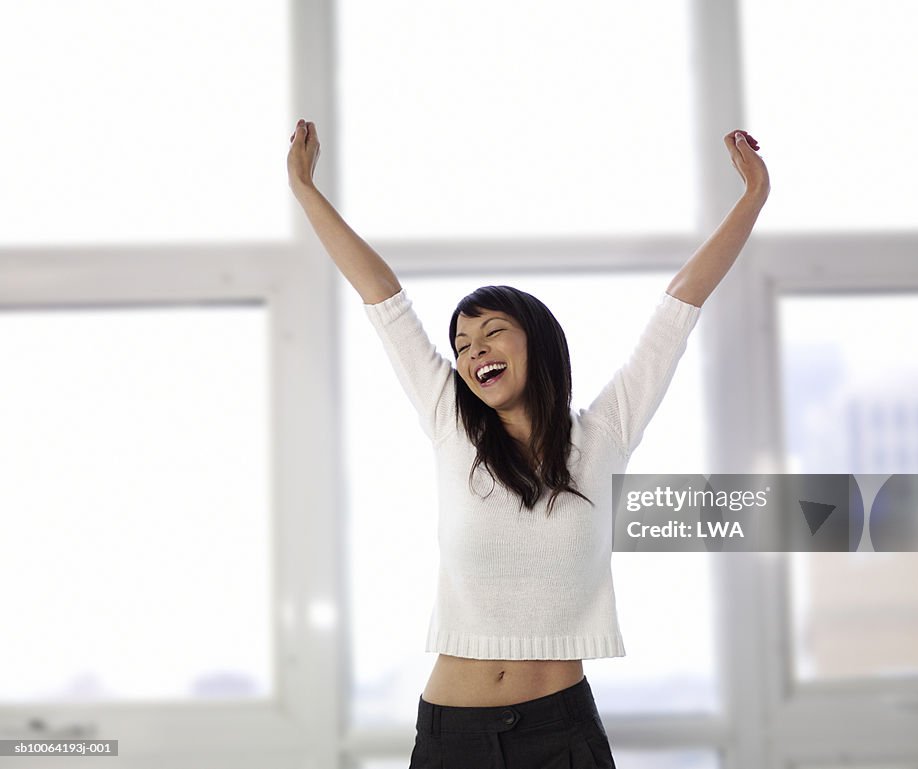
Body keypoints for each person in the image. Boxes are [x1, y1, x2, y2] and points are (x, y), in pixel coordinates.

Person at [288, 118, 769, 768]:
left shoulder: (605, 432)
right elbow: (382, 297)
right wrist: (304, 187)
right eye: (461, 345)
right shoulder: (448, 422)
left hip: (559, 734)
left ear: (535, 340)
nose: (472, 350)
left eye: (490, 331)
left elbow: (678, 309)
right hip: (452, 738)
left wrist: (753, 198)